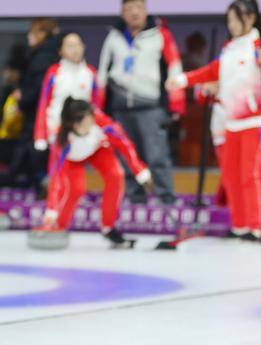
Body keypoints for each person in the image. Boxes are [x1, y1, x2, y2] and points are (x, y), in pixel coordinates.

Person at [166, 0, 261, 241]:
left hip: (253, 122)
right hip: (231, 123)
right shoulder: (229, 49)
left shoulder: (259, 46)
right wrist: (183, 80)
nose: (231, 24)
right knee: (231, 175)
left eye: (235, 19)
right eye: (228, 20)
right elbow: (211, 71)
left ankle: (254, 226)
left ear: (250, 18)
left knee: (250, 175)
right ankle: (239, 225)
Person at [98, 0, 184, 205]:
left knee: (157, 155)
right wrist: (99, 109)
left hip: (151, 106)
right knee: (126, 156)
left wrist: (176, 104)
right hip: (120, 108)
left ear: (146, 10)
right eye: (129, 9)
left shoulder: (160, 35)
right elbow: (102, 74)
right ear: (122, 12)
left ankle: (166, 197)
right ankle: (135, 197)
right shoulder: (114, 37)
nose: (134, 12)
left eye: (138, 7)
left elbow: (174, 69)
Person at [36, 98, 151, 247]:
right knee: (76, 190)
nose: (92, 123)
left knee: (116, 176)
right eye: (86, 122)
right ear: (74, 125)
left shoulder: (103, 124)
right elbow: (56, 180)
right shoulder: (61, 142)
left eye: (92, 118)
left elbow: (125, 145)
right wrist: (51, 212)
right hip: (73, 160)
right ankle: (58, 225)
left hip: (98, 150)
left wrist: (140, 172)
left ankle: (108, 228)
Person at [33, 33, 103, 180]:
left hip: (83, 129)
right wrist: (40, 135)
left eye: (78, 45)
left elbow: (96, 106)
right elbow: (43, 103)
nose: (75, 50)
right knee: (58, 173)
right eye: (70, 46)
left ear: (84, 47)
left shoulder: (91, 73)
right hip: (58, 129)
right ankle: (55, 201)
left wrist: (96, 128)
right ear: (61, 51)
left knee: (79, 174)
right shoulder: (54, 73)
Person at [5, 19, 59, 191]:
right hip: (40, 113)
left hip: (37, 114)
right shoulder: (46, 54)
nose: (29, 37)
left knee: (32, 151)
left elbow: (38, 89)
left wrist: (22, 100)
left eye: (33, 32)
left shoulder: (43, 57)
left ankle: (34, 185)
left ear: (42, 34)